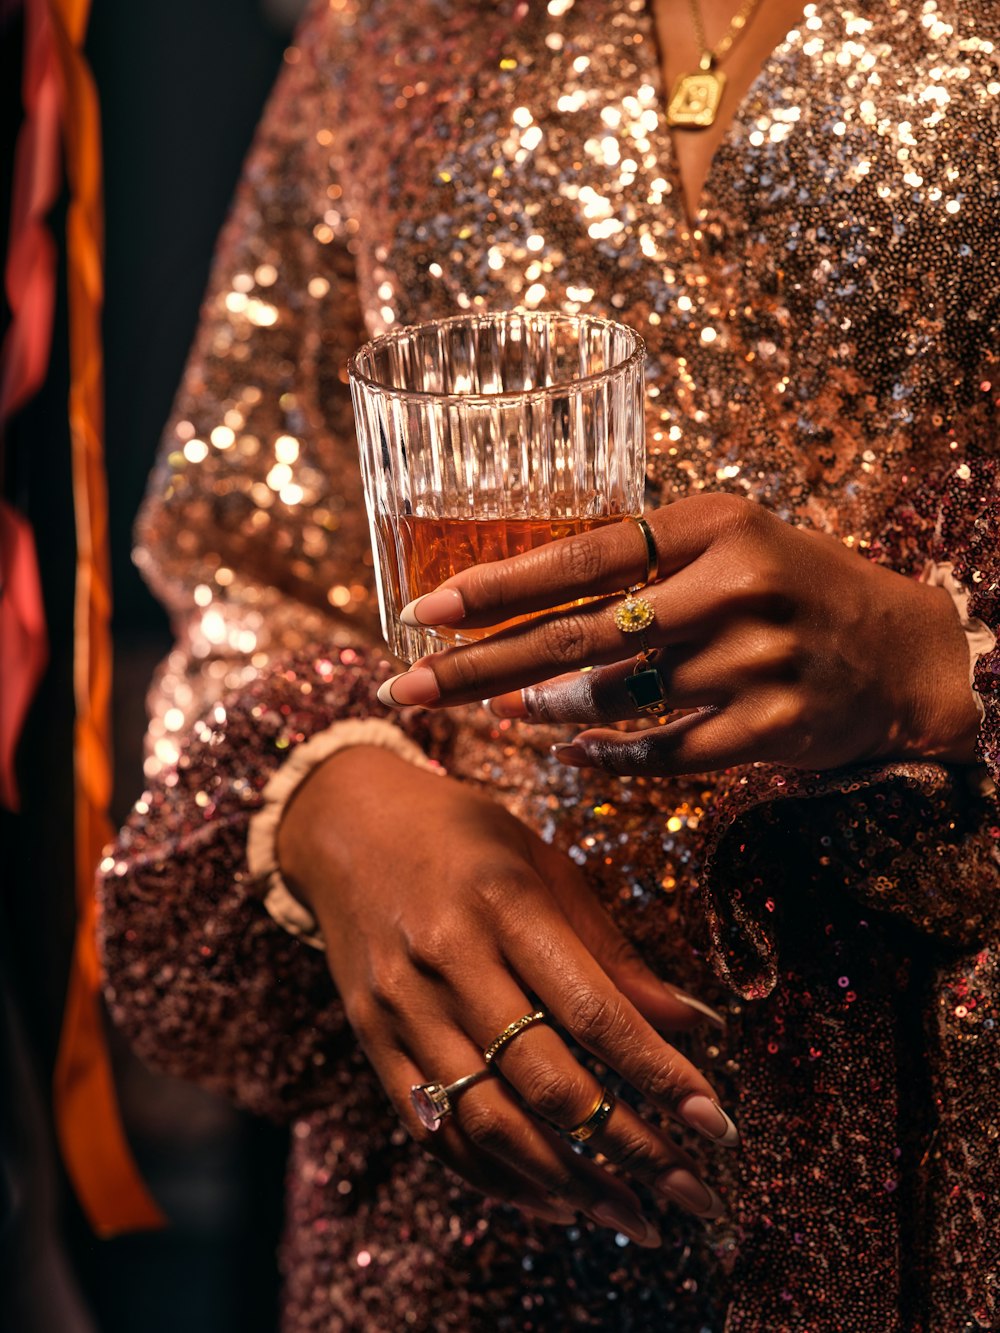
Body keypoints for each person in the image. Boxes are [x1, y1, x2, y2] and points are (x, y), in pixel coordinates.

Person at [100, 0, 1000, 1327]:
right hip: (470, 1181)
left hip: (944, 1127)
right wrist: (334, 797)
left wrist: (945, 660)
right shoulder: (390, 32)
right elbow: (246, 563)